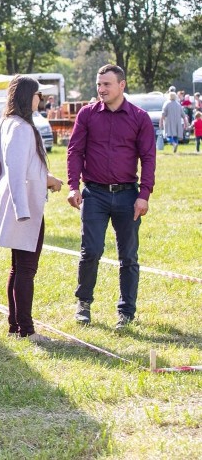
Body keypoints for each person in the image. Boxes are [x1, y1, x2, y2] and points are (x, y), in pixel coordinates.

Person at [67, 65, 156, 330]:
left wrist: (144, 194)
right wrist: (73, 186)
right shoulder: (87, 115)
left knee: (128, 256)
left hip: (128, 195)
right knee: (91, 251)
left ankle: (126, 312)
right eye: (99, 84)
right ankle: (83, 304)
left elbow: (148, 158)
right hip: (94, 194)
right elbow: (74, 151)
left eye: (107, 84)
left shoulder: (139, 118)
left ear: (122, 85)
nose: (101, 89)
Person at [0, 76, 63, 343]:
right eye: (38, 94)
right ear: (29, 96)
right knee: (26, 269)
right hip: (23, 206)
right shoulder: (20, 128)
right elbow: (15, 172)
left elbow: (6, 168)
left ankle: (15, 325)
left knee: (18, 268)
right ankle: (26, 330)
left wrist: (48, 180)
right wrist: (21, 208)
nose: (40, 98)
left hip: (18, 201)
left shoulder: (7, 125)